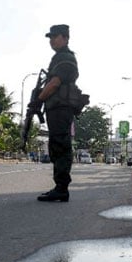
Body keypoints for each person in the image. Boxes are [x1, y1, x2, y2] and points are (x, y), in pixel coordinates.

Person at [35, 24, 79, 202]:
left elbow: (54, 83)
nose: (52, 40)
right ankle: (59, 187)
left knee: (60, 146)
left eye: (55, 36)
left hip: (61, 108)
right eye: (50, 38)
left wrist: (38, 100)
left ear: (65, 38)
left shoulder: (65, 58)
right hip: (57, 108)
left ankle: (62, 188)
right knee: (56, 146)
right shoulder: (59, 57)